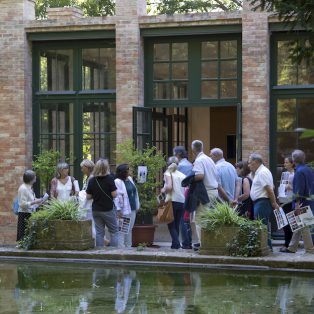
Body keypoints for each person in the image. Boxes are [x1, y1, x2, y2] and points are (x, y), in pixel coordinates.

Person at [283, 150, 314, 254]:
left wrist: (297, 204)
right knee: (299, 225)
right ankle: (292, 247)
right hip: (309, 201)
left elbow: (298, 191)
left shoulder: (299, 172)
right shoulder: (308, 170)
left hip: (301, 203)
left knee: (304, 226)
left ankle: (310, 249)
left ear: (294, 159)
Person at [191, 140, 219, 250]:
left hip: (205, 192)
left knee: (199, 219)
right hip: (213, 191)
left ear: (193, 149)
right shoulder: (209, 159)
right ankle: (205, 242)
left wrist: (189, 178)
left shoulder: (199, 160)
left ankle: (204, 245)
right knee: (206, 218)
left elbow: (200, 176)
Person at [248, 153, 279, 249]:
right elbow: (272, 186)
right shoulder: (260, 172)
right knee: (262, 225)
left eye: (250, 163)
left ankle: (266, 247)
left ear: (256, 162)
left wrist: (274, 203)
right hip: (260, 202)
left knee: (261, 225)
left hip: (262, 202)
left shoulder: (262, 172)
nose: (249, 166)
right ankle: (266, 247)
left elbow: (270, 189)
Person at [86, 159, 119, 248]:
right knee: (114, 231)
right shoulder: (110, 179)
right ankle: (113, 252)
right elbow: (114, 194)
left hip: (96, 209)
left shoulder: (92, 180)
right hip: (108, 209)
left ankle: (99, 252)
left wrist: (96, 195)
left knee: (99, 232)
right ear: (106, 167)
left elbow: (88, 196)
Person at [161, 156, 186, 249]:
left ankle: (176, 243)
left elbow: (169, 187)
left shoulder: (168, 173)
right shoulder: (182, 175)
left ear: (168, 164)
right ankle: (174, 245)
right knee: (176, 224)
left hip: (171, 200)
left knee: (170, 224)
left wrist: (163, 189)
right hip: (181, 201)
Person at [114, 163, 140, 248]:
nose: (130, 171)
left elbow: (135, 193)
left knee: (129, 229)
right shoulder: (118, 181)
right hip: (124, 210)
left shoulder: (130, 179)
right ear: (124, 172)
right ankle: (121, 249)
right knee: (123, 230)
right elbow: (117, 197)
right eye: (128, 169)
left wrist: (137, 205)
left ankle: (129, 248)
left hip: (132, 208)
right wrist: (118, 210)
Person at [173, 146, 193, 249]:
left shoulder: (180, 166)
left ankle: (185, 243)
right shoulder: (189, 164)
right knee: (186, 219)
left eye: (174, 154)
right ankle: (188, 241)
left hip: (181, 194)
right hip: (189, 192)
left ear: (178, 154)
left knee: (182, 220)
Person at [16, 170, 43, 241]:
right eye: (34, 176)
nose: (36, 178)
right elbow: (22, 204)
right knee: (23, 235)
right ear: (30, 178)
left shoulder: (29, 187)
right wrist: (34, 202)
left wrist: (39, 201)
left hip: (29, 213)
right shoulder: (23, 188)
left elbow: (31, 199)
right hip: (24, 214)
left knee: (28, 234)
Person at [278, 156, 294, 251]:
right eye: (284, 162)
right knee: (284, 223)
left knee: (290, 223)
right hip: (284, 200)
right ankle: (286, 243)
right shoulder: (284, 174)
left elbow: (299, 188)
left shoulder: (296, 174)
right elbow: (282, 186)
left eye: (287, 162)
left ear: (292, 163)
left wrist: (290, 187)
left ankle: (289, 244)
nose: (285, 164)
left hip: (291, 201)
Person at [80, 159, 96, 238]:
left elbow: (90, 193)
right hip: (89, 204)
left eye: (82, 168)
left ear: (87, 167)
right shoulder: (89, 177)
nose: (81, 170)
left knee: (91, 224)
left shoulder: (91, 178)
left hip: (90, 205)